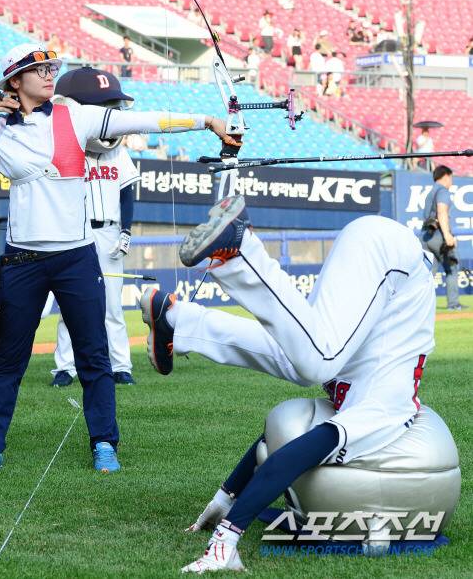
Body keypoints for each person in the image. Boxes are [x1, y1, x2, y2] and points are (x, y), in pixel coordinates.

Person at [0, 43, 238, 475]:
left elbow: (145, 120)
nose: (48, 74)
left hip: (76, 257)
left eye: (51, 68)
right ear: (14, 82)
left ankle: (104, 443)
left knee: (94, 357)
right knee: (10, 361)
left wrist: (205, 121)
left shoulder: (76, 115)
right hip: (22, 259)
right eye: (38, 70)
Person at [141, 194, 436, 572]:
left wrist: (226, 497)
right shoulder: (389, 412)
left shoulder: (369, 383)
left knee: (300, 359)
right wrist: (228, 538)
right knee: (320, 359)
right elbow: (296, 455)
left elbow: (280, 437)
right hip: (395, 261)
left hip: (382, 258)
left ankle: (178, 323)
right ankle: (242, 249)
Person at [46, 67, 140, 388]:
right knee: (72, 301)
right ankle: (65, 366)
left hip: (110, 233)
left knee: (113, 303)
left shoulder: (117, 151)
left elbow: (127, 192)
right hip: (78, 232)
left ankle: (121, 365)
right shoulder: (66, 148)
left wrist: (126, 231)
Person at [421, 165, 465, 311]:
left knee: (427, 275)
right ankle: (453, 304)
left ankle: (420, 306)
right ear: (445, 176)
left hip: (426, 236)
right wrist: (448, 236)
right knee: (452, 267)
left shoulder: (430, 192)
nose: (451, 180)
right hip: (439, 236)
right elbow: (442, 212)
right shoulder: (442, 191)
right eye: (451, 177)